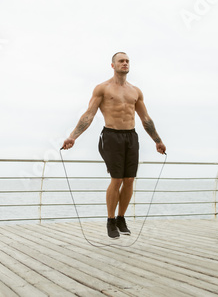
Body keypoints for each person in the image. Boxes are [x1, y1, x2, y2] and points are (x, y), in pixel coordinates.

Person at [62, 52, 166, 239]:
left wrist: (157, 140)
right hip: (111, 136)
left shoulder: (135, 91)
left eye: (127, 61)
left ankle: (121, 218)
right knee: (116, 179)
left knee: (129, 180)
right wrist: (73, 136)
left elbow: (145, 118)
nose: (125, 63)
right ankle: (110, 221)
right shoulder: (102, 88)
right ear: (113, 65)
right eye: (121, 61)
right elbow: (89, 114)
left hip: (131, 136)